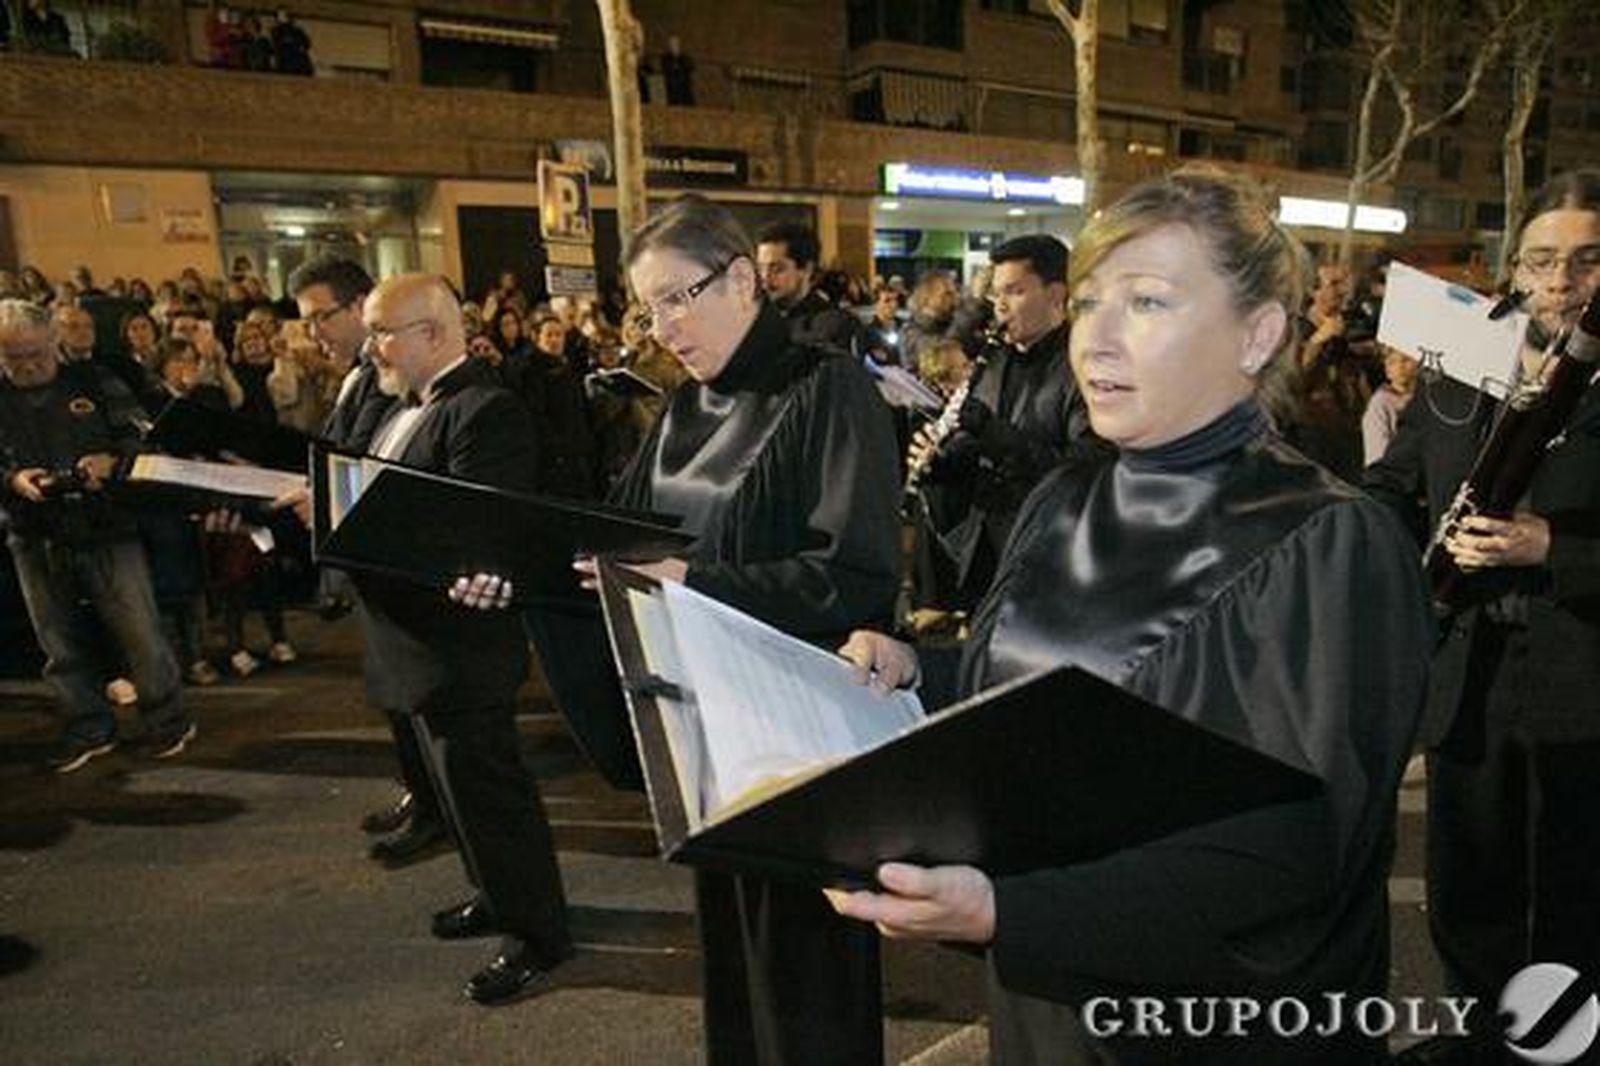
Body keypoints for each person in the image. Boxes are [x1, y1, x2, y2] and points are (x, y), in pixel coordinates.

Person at [832, 169, 1434, 1064]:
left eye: (1147, 302)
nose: (1096, 337)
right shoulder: (1065, 497)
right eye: (1088, 301)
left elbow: (1297, 851)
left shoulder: (1330, 540)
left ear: (1258, 333)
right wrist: (928, 670)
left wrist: (1010, 910)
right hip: (1045, 1005)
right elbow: (1056, 687)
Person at [459, 194, 901, 1062]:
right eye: (649, 306)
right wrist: (517, 579)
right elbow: (613, 554)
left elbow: (855, 578)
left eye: (677, 298)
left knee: (808, 979)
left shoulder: (829, 388)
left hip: (796, 736)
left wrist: (698, 580)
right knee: (735, 967)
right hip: (702, 730)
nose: (661, 326)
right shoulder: (679, 413)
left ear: (742, 280)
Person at [1365, 169, 1600, 1065]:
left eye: (1585, 261)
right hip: (1470, 667)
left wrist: (1555, 548)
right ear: (1513, 266)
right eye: (1540, 259)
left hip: (1582, 677)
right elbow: (1397, 482)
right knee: (1469, 883)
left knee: (1579, 890)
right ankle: (1484, 1036)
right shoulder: (1468, 350)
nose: (1559, 280)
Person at [351, 274, 572, 1005]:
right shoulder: (394, 405)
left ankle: (538, 934)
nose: (372, 345)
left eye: (385, 330)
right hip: (410, 640)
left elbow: (476, 527)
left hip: (461, 645)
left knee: (491, 796)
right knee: (457, 794)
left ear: (434, 334)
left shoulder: (487, 410)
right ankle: (495, 895)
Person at [285, 255, 441, 862]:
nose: (314, 330)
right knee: (393, 694)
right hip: (359, 556)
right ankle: (420, 792)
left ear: (358, 306)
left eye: (321, 315)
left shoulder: (391, 382)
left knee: (414, 700)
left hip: (390, 558)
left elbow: (368, 461)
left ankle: (433, 805)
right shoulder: (353, 376)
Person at [0, 299, 196, 772]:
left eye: (35, 354)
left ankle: (167, 720)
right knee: (58, 640)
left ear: (54, 342)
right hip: (32, 531)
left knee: (139, 631)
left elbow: (141, 435)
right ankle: (88, 725)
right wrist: (12, 480)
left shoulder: (94, 380)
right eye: (13, 358)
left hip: (107, 525)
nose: (26, 366)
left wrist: (111, 463)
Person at [907, 234, 1097, 609]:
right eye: (996, 294)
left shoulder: (1085, 368)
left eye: (1014, 291)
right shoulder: (993, 361)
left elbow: (1081, 475)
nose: (1001, 307)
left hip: (1049, 560)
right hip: (986, 556)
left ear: (1057, 294)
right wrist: (940, 463)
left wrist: (993, 432)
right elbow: (974, 451)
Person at [754, 221, 863, 352]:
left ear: (806, 269)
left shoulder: (835, 325)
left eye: (777, 269)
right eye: (760, 268)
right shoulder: (753, 320)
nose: (765, 277)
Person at [1360, 344, 1419, 466]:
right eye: (1392, 362)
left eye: (1406, 360)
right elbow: (1377, 455)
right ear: (1387, 371)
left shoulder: (1425, 398)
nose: (1400, 367)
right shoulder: (1380, 403)